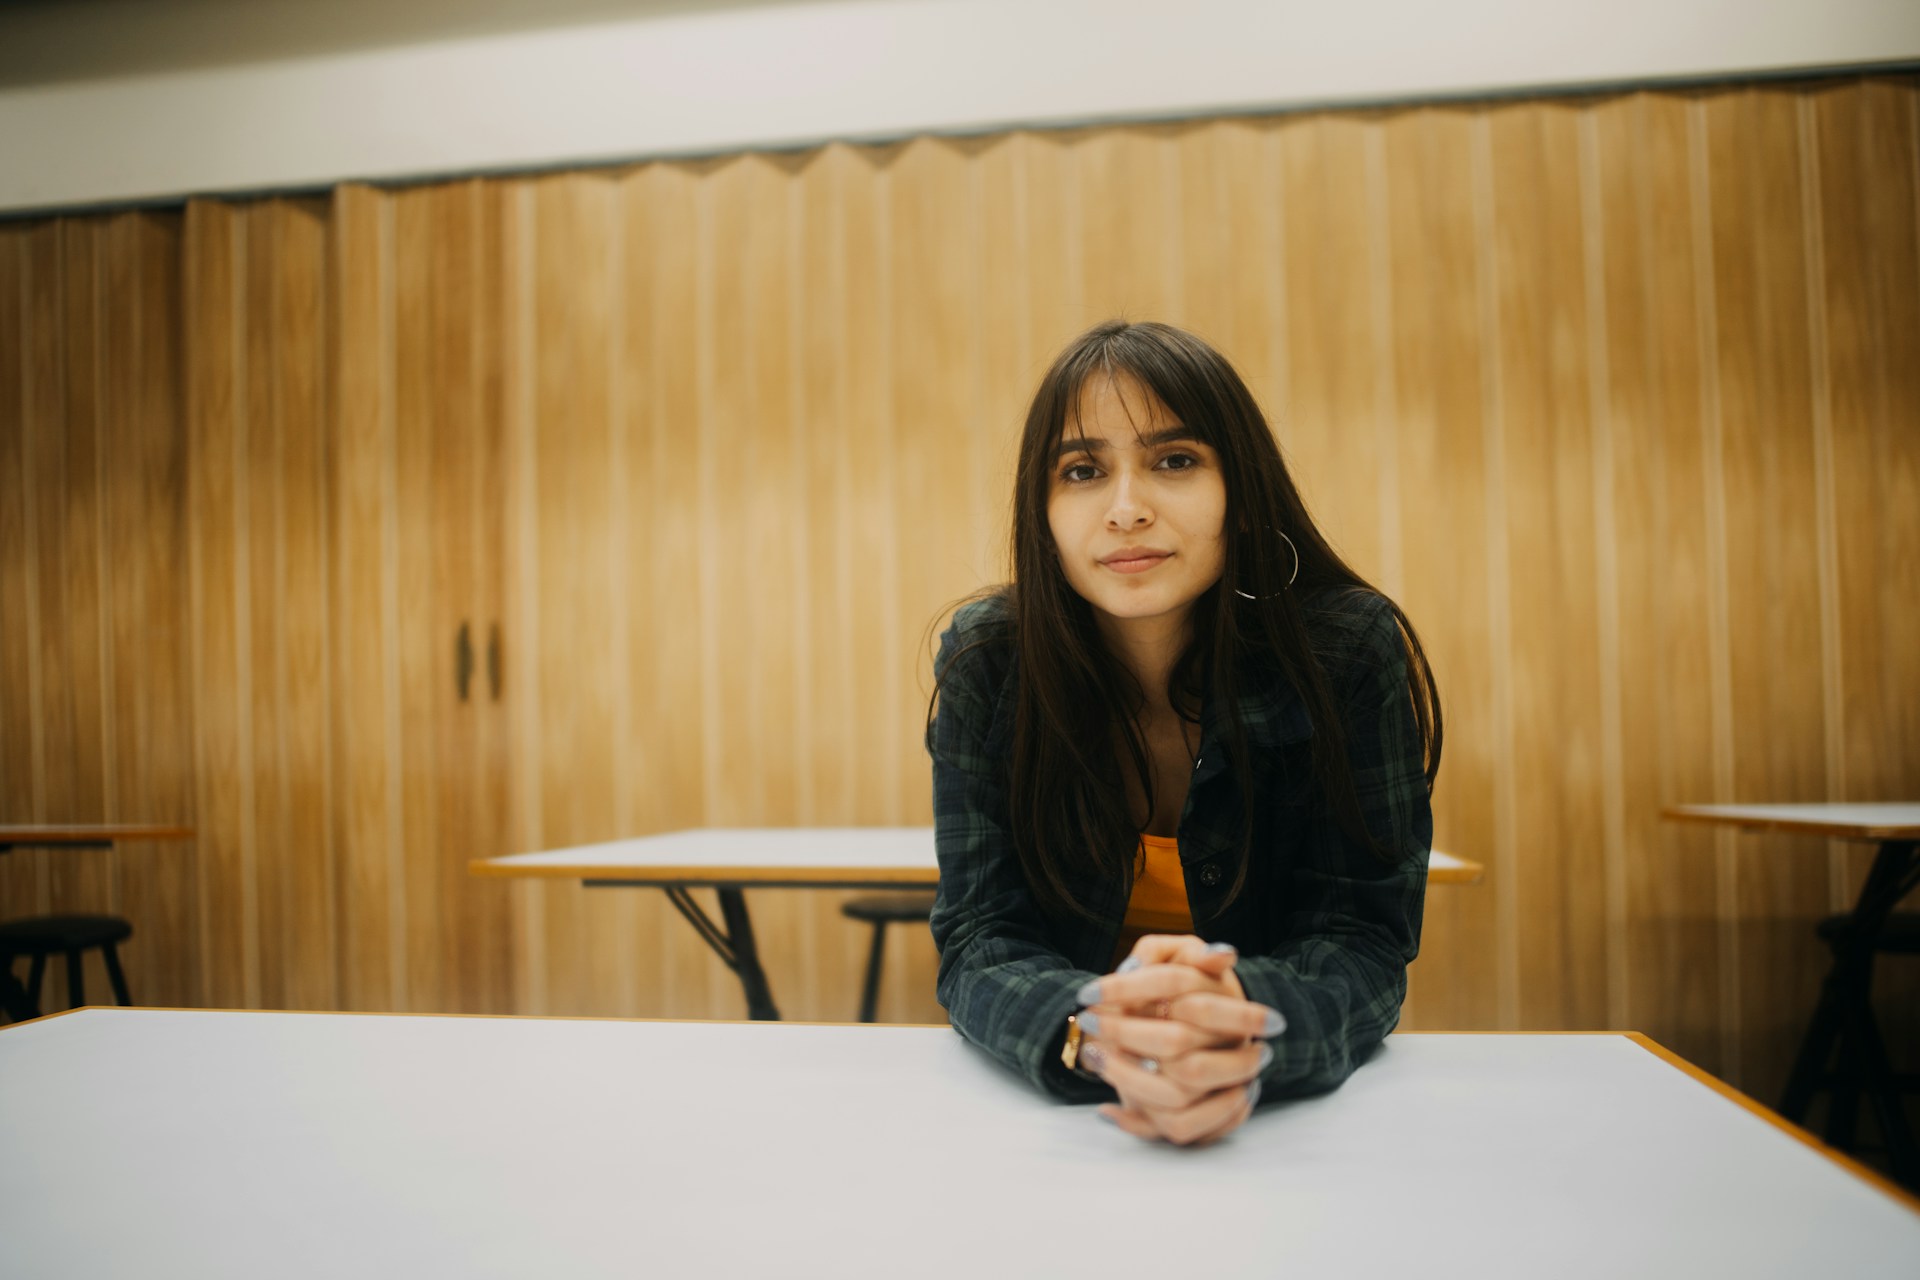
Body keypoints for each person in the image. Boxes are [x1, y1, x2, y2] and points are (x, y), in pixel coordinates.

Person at [926, 319, 1442, 1147]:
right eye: (1083, 470)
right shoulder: (991, 661)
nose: (1127, 510)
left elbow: (1361, 942)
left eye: (1175, 461)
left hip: (1290, 1131)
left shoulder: (1346, 653)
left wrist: (1239, 1021)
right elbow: (980, 937)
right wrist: (1089, 1032)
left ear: (1243, 492)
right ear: (1043, 509)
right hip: (1074, 1122)